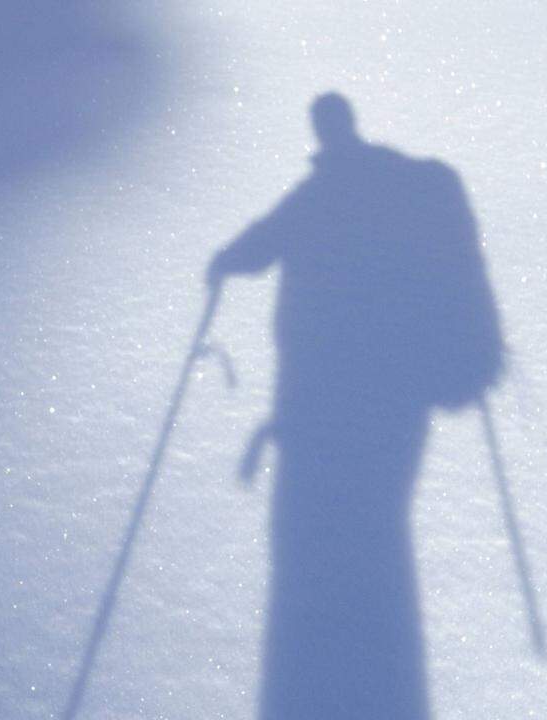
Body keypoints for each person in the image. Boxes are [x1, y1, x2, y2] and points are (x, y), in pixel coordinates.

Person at [207, 92, 502, 720]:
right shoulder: (402, 188)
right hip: (399, 403)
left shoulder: (320, 196)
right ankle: (378, 665)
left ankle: (342, 670)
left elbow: (260, 243)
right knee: (378, 520)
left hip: (324, 406)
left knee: (333, 536)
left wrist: (221, 263)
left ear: (325, 132)